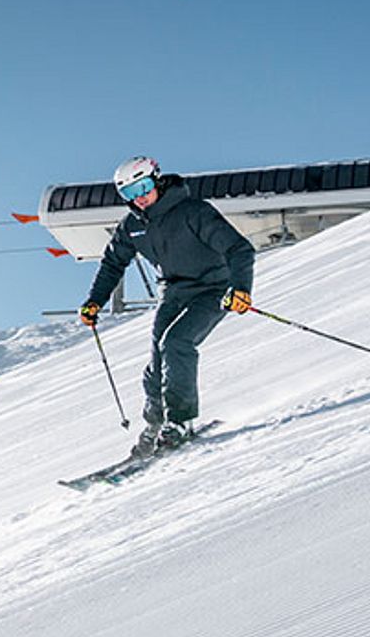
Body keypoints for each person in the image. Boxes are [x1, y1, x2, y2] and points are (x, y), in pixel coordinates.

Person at [79, 156, 256, 455]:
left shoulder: (193, 211)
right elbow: (112, 264)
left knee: (177, 343)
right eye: (130, 194)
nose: (141, 197)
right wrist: (95, 301)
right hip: (173, 292)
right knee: (157, 354)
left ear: (157, 180)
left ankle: (182, 420)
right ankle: (156, 421)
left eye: (144, 187)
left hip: (214, 288)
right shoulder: (132, 226)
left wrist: (241, 289)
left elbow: (240, 249)